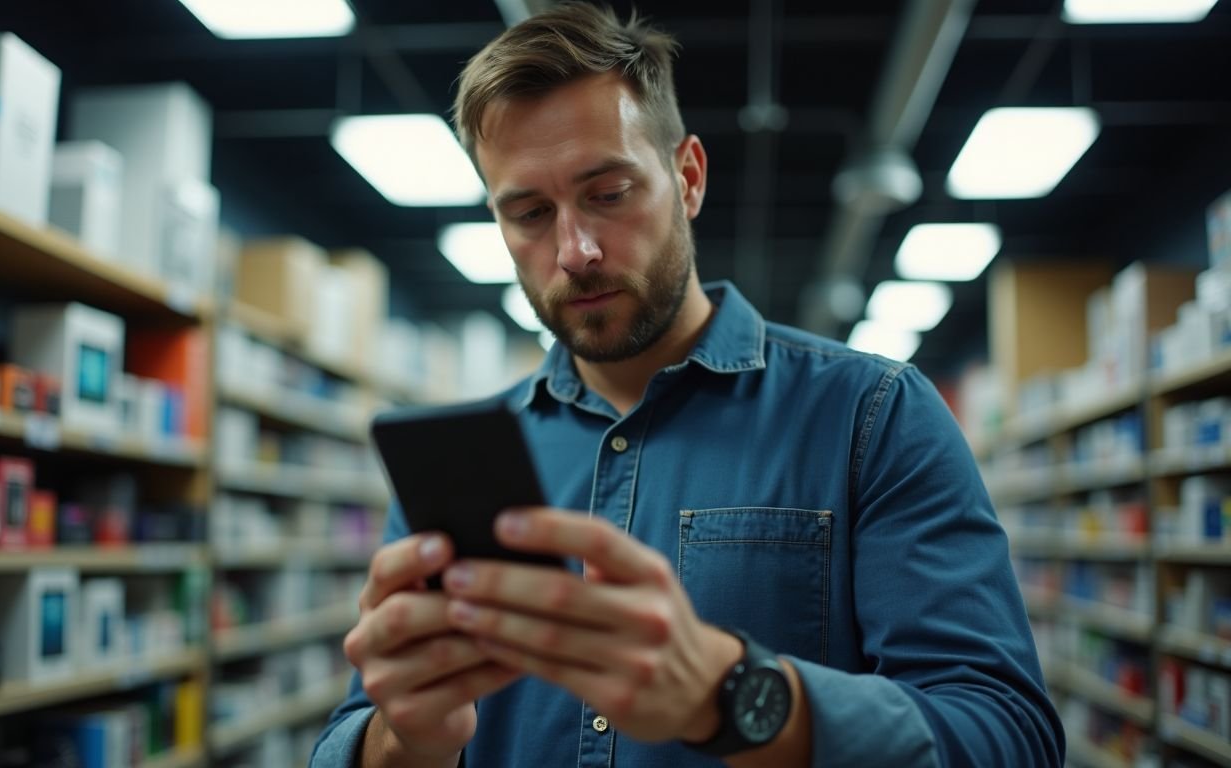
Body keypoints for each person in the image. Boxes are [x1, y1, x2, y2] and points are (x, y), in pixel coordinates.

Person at [312, 3, 1064, 766]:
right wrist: (402, 740)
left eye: (608, 193)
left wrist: (731, 692)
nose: (574, 251)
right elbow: (355, 733)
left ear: (689, 177)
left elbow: (1010, 737)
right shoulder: (458, 465)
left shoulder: (870, 417)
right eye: (531, 213)